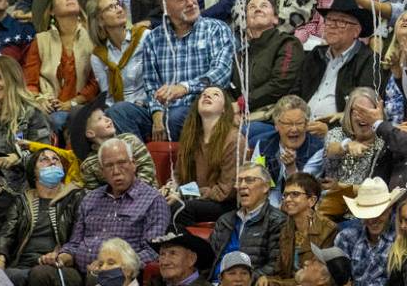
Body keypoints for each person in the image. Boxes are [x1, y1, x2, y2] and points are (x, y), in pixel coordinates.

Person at [54, 137, 170, 278]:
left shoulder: (153, 200)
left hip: (121, 274)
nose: (116, 171)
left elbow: (153, 251)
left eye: (121, 163)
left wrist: (112, 265)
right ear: (102, 172)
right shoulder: (90, 198)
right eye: (109, 166)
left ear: (133, 164)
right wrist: (62, 256)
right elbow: (74, 243)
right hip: (79, 271)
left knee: (101, 277)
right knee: (42, 273)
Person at [142, 0, 236, 138]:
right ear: (166, 8)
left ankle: (186, 162)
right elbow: (151, 85)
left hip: (200, 109)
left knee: (175, 117)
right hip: (165, 111)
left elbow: (221, 73)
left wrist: (184, 87)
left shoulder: (216, 29)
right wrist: (156, 114)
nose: (191, 2)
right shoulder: (153, 38)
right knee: (121, 112)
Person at [22, 0, 100, 134]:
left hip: (83, 106)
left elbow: (96, 81)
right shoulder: (40, 40)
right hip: (48, 107)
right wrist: (40, 100)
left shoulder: (93, 38)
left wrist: (72, 103)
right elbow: (30, 82)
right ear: (51, 11)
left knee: (60, 119)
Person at [0, 148, 82, 286]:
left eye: (56, 159)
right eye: (44, 159)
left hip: (59, 265)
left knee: (39, 274)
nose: (51, 162)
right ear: (33, 173)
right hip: (22, 265)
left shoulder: (75, 197)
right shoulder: (22, 200)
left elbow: (79, 236)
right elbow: (6, 233)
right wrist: (0, 260)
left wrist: (62, 256)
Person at [165, 87, 246, 228]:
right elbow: (178, 175)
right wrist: (171, 189)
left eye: (215, 95)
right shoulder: (190, 137)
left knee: (181, 208)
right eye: (204, 94)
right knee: (159, 203)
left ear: (224, 109)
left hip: (224, 204)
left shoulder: (234, 139)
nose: (207, 96)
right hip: (195, 198)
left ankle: (190, 249)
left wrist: (184, 194)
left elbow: (225, 192)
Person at [0, 57, 51, 185]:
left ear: (13, 79)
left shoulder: (32, 113)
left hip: (17, 187)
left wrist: (18, 158)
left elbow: (45, 155)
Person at [297, 0, 382, 118]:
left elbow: (365, 108)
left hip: (339, 129)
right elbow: (296, 91)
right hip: (299, 124)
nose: (332, 25)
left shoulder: (368, 59)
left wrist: (334, 125)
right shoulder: (316, 54)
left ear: (356, 31)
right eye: (329, 20)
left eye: (341, 22)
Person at [83, 0, 151, 139]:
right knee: (88, 118)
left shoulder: (144, 37)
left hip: (147, 109)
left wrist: (140, 103)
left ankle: (134, 156)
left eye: (119, 4)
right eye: (110, 8)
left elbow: (156, 80)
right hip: (118, 112)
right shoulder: (99, 55)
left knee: (118, 111)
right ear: (100, 20)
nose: (119, 9)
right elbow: (108, 96)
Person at [234, 0, 305, 120]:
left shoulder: (288, 43)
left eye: (264, 5)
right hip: (240, 115)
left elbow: (280, 84)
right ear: (246, 20)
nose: (257, 9)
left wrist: (241, 104)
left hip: (277, 116)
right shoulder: (241, 54)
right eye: (252, 7)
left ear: (276, 19)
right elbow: (232, 87)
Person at [210, 163, 284, 282]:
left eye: (249, 180)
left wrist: (243, 280)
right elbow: (209, 258)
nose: (242, 186)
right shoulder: (225, 220)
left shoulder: (277, 221)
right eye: (239, 181)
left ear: (265, 187)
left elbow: (275, 265)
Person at [66, 96, 157, 190]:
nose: (108, 119)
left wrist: (131, 196)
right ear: (90, 133)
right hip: (113, 202)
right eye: (100, 118)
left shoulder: (131, 141)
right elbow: (94, 193)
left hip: (146, 195)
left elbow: (148, 170)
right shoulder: (89, 165)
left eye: (105, 116)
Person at [263, 173, 337, 286]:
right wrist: (267, 279)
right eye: (285, 195)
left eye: (295, 194)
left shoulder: (328, 230)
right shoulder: (285, 229)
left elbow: (314, 279)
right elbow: (280, 272)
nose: (287, 199)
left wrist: (275, 283)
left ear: (312, 200)